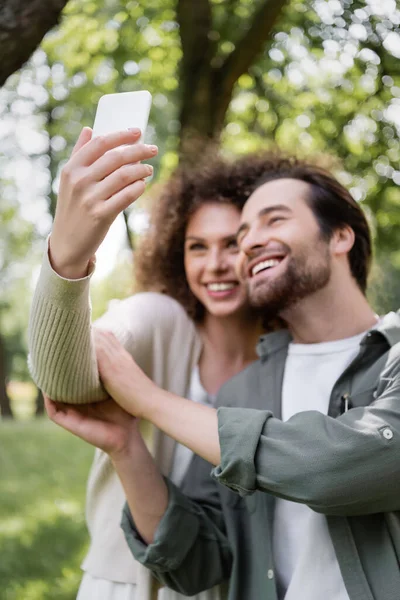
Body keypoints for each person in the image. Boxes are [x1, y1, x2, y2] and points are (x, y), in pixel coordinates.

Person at [47, 156, 400, 600]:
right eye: (244, 234)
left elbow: (334, 470)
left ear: (341, 235)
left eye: (274, 220)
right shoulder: (239, 393)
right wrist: (126, 445)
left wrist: (149, 400)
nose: (249, 243)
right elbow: (200, 562)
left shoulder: (394, 359)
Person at [28, 127, 277, 599]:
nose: (216, 264)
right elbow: (64, 377)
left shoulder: (284, 358)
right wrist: (68, 256)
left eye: (233, 243)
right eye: (197, 247)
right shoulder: (159, 318)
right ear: (176, 255)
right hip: (126, 587)